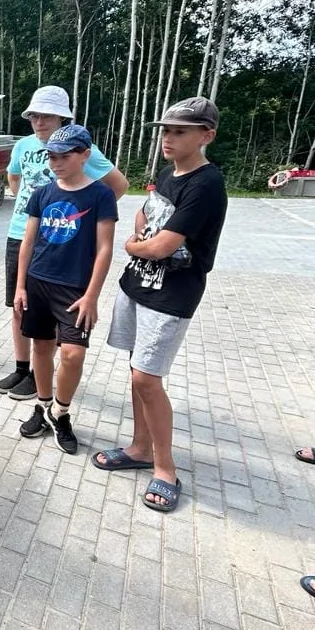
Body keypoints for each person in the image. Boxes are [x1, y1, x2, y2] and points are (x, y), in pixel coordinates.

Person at [93, 97, 228, 513]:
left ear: (206, 135)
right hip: (139, 287)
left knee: (147, 380)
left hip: (172, 295)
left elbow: (161, 244)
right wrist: (142, 241)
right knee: (138, 373)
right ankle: (139, 447)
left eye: (179, 131)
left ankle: (165, 468)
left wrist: (135, 244)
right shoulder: (169, 174)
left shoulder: (206, 183)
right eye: (165, 130)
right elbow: (144, 213)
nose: (168, 138)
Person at [0, 86, 128, 401]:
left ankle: (45, 375)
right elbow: (15, 179)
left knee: (57, 311)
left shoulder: (82, 149)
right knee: (19, 305)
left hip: (61, 238)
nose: (39, 122)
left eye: (47, 116)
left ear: (63, 118)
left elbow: (118, 185)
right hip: (22, 233)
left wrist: (83, 219)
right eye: (34, 116)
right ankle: (21, 367)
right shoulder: (23, 146)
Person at [13, 124, 117, 455]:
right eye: (52, 157)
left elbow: (105, 248)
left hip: (74, 289)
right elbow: (28, 242)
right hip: (38, 282)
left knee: (72, 353)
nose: (56, 163)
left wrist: (92, 295)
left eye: (64, 156)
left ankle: (61, 411)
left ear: (85, 155)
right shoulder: (43, 193)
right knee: (41, 350)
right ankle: (42, 407)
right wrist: (20, 286)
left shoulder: (100, 194)